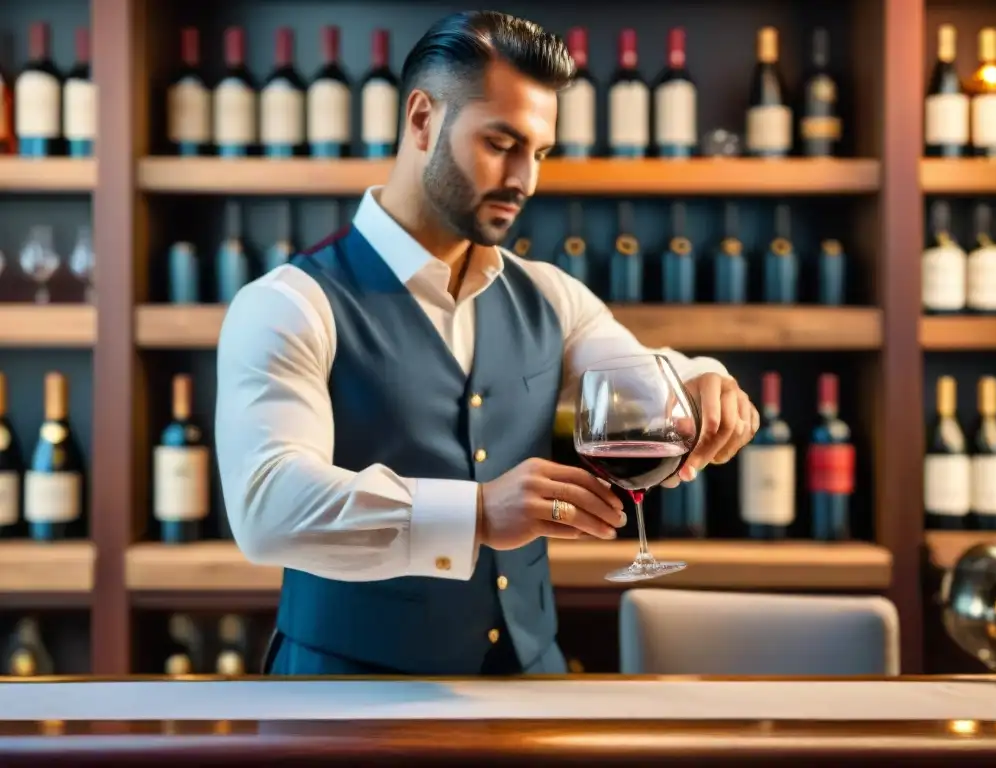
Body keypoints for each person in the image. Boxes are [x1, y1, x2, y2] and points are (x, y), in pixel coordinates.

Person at [215, 11, 759, 677]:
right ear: (421, 119)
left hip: (533, 689)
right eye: (501, 144)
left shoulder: (552, 296)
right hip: (344, 706)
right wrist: (476, 513)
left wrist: (701, 377)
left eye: (540, 153)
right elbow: (268, 507)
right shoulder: (288, 304)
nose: (525, 180)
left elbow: (635, 377)